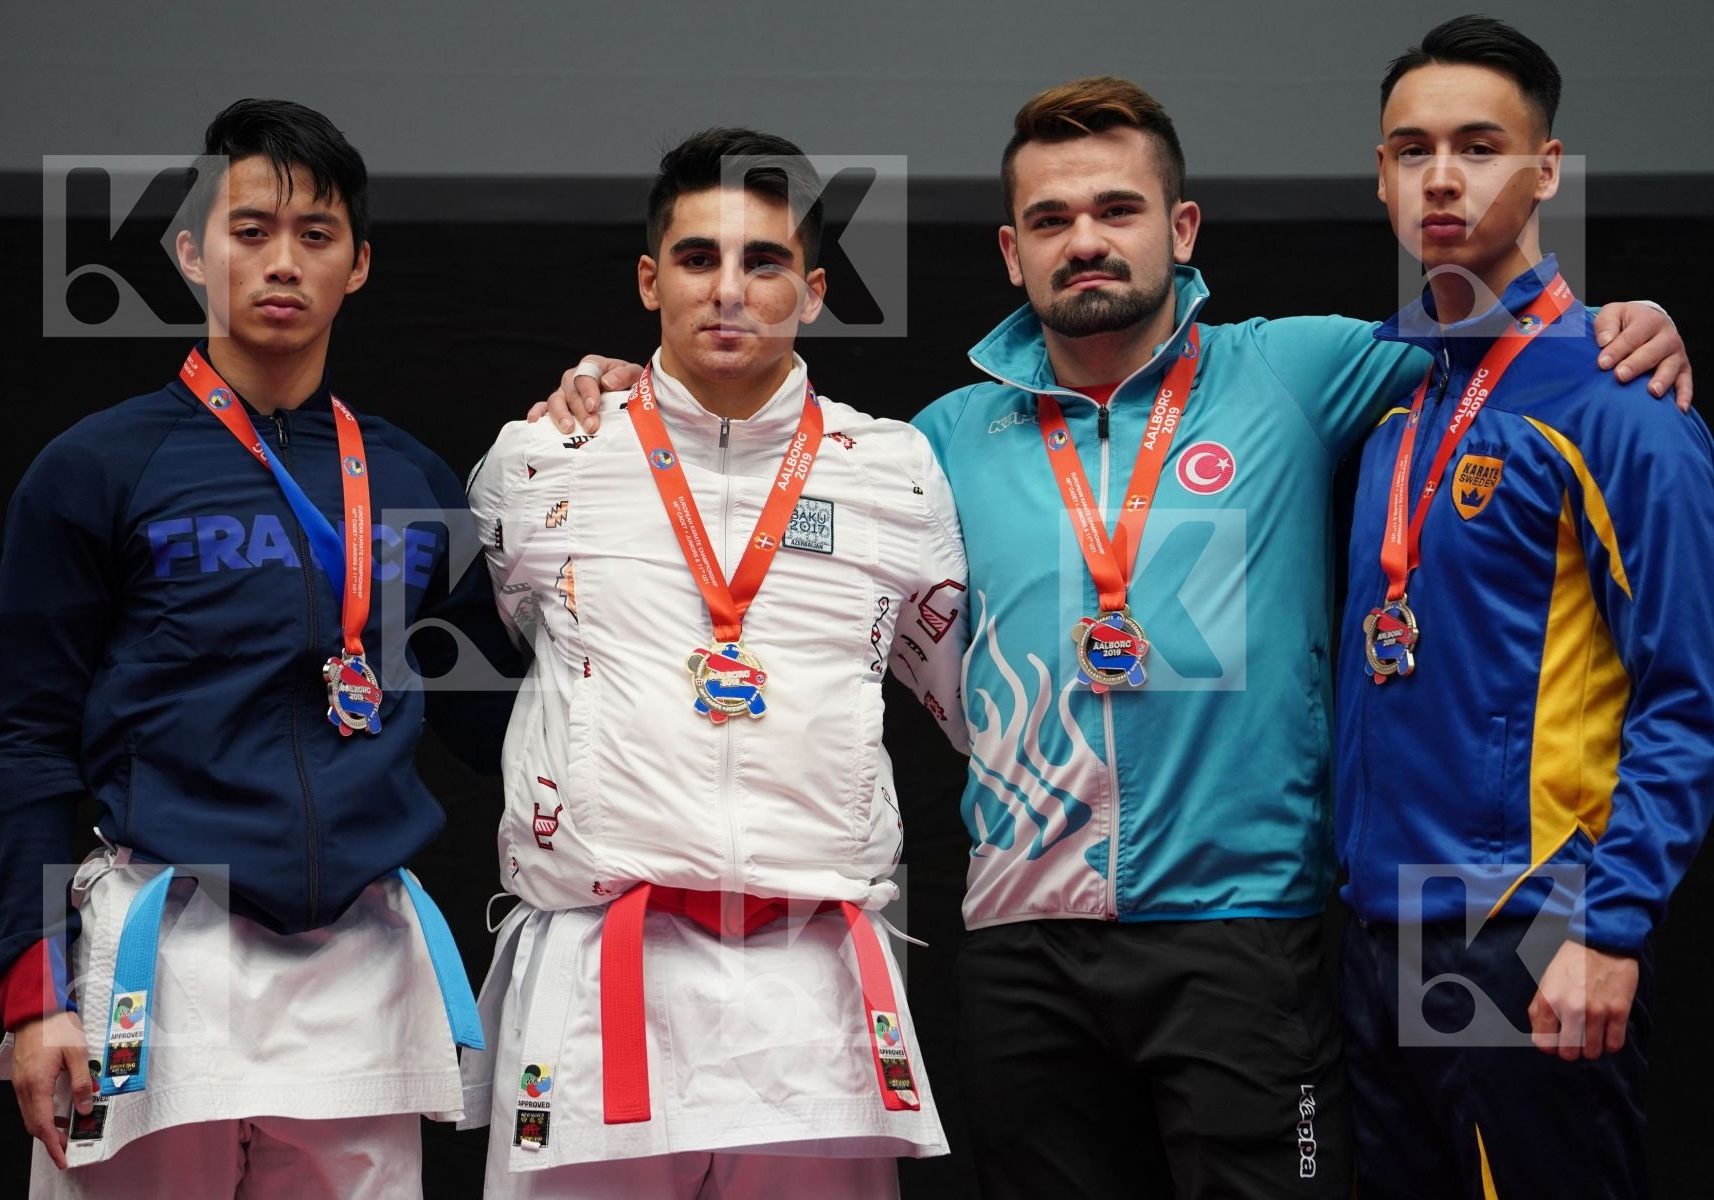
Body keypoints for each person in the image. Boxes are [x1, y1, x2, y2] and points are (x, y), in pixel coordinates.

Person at [533, 81, 1688, 1198]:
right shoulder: (931, 445)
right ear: (1010, 251)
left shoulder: (1298, 370)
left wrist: (1620, 321)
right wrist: (628, 387)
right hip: (1023, 946)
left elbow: (1499, 350)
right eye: (1051, 219)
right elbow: (757, 453)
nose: (1085, 240)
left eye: (1117, 210)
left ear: (1181, 228)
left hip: (1248, 935)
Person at [0, 98, 522, 1197]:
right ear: (189, 252)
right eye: (250, 229)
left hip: (364, 960)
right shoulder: (96, 468)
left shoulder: (412, 482)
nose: (283, 262)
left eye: (316, 236)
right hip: (164, 950)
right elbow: (25, 741)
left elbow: (510, 725)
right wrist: (35, 996)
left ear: (358, 265)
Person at [461, 128, 968, 1199]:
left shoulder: (896, 472)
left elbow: (960, 702)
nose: (728, 291)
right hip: (602, 974)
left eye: (764, 262)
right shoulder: (541, 460)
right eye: (697, 259)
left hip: (815, 981)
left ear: (816, 289)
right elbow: (508, 650)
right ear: (651, 281)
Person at [1334, 17, 1714, 1198]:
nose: (1441, 176)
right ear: (1382, 175)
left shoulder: (1623, 400)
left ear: (1547, 169)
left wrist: (1606, 924)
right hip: (1370, 934)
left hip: (1530, 930)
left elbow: (1687, 693)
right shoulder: (1396, 404)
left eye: (1480, 145)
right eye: (1411, 149)